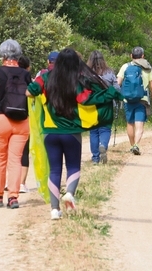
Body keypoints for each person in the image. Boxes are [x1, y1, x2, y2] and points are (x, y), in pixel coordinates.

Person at [28, 48, 121, 220]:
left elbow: (30, 91)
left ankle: (54, 210)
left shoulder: (45, 78)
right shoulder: (77, 82)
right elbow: (86, 99)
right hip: (71, 132)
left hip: (50, 131)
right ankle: (69, 193)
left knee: (54, 170)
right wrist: (110, 94)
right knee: (73, 167)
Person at [0, 39, 32, 209]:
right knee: (16, 159)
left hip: (1, 120)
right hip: (21, 121)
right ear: (18, 55)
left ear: (2, 55)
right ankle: (13, 197)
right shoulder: (25, 74)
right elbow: (30, 94)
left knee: (1, 158)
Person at [117, 46, 152, 155]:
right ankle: (136, 145)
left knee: (130, 123)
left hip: (127, 99)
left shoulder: (125, 66)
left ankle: (131, 145)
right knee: (139, 124)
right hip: (142, 99)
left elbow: (118, 83)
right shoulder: (147, 68)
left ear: (131, 56)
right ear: (143, 56)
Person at [87, 50, 119, 164]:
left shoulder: (86, 73)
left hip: (92, 107)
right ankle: (103, 145)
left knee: (93, 131)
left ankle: (95, 158)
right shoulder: (109, 72)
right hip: (107, 106)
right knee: (105, 129)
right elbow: (116, 89)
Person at [17, 55, 32, 194]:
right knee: (24, 151)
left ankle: (10, 182)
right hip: (24, 117)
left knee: (11, 153)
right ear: (28, 67)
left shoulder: (6, 75)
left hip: (5, 117)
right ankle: (21, 183)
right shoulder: (27, 77)